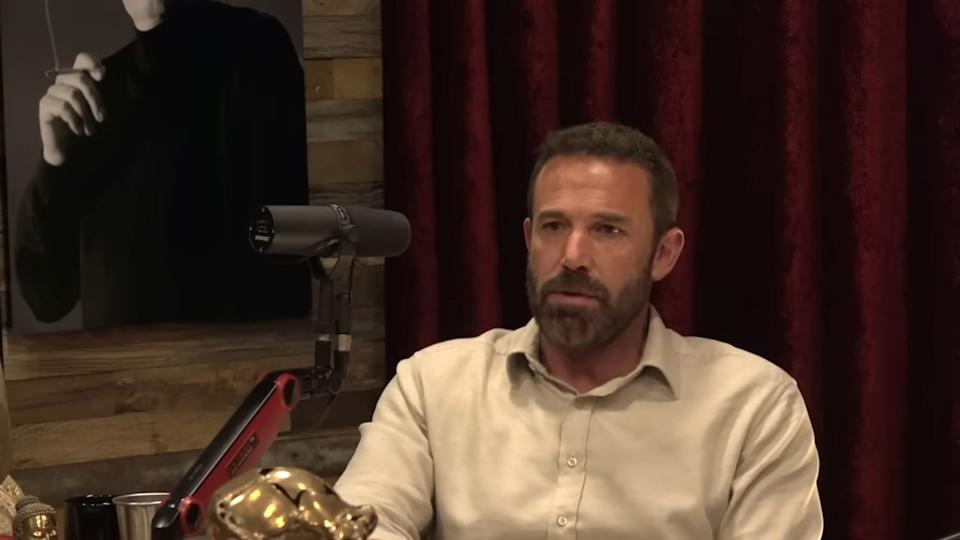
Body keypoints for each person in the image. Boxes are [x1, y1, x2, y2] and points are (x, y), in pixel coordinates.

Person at [334, 122, 824, 539]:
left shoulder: (753, 405)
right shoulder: (434, 384)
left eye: (607, 230)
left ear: (663, 254)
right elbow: (362, 524)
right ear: (529, 239)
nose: (572, 257)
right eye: (553, 227)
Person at [14, 0, 310, 329]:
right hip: (127, 361)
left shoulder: (256, 46)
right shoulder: (95, 98)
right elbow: (46, 297)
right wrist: (55, 162)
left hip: (244, 353)